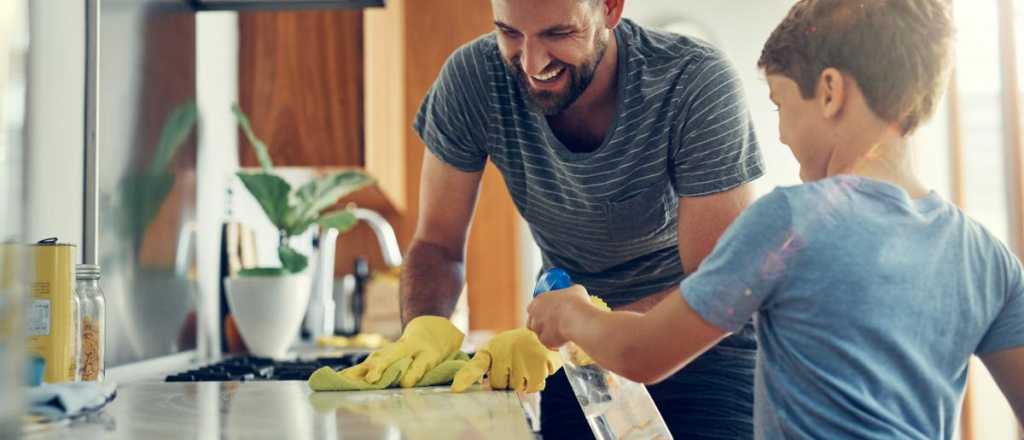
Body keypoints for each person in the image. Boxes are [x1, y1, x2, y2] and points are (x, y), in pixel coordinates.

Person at [527, 0, 1024, 437]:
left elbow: (645, 355)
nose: (782, 134)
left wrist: (572, 311)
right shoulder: (986, 256)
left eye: (781, 104)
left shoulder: (791, 223)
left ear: (830, 92)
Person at [341, 0, 765, 437]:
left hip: (701, 355)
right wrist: (424, 328)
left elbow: (717, 283)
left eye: (558, 35)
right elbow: (437, 244)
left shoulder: (693, 82)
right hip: (571, 359)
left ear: (610, 8)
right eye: (510, 33)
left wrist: (584, 327)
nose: (531, 62)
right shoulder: (474, 78)